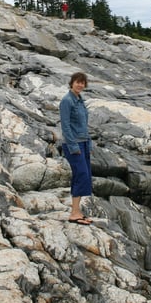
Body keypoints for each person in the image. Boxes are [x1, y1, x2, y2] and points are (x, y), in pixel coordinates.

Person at [59, 72, 93, 225]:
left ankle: (76, 210)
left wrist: (88, 144)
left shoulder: (80, 100)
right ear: (71, 83)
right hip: (73, 144)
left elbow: (84, 124)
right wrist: (73, 146)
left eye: (82, 83)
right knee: (81, 175)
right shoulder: (67, 101)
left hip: (83, 142)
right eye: (77, 82)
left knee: (82, 175)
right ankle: (74, 213)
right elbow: (65, 126)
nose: (80, 85)